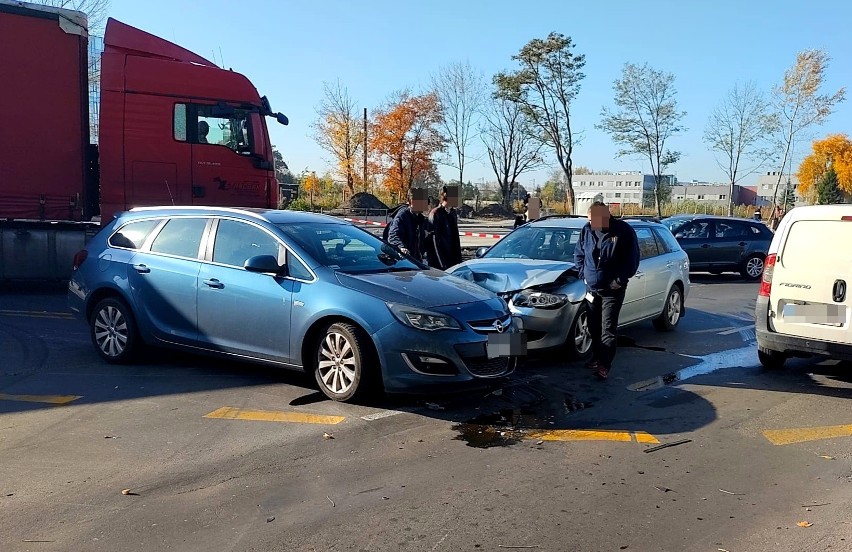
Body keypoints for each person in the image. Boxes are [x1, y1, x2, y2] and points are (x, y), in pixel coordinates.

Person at [573, 201, 640, 380]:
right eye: (590, 220)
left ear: (607, 215)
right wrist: (583, 274)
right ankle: (596, 357)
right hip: (591, 289)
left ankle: (604, 364)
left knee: (607, 329)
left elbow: (632, 260)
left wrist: (619, 280)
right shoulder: (587, 230)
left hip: (613, 290)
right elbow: (579, 254)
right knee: (593, 327)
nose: (592, 224)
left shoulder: (623, 231)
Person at [425, 186, 463, 270]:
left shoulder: (452, 213)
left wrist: (459, 261)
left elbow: (456, 238)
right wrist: (441, 264)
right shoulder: (435, 213)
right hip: (439, 263)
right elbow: (433, 241)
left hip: (452, 262)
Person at [387, 188, 427, 260]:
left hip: (416, 261)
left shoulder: (421, 218)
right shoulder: (402, 216)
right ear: (412, 201)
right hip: (404, 261)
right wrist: (401, 247)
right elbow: (393, 235)